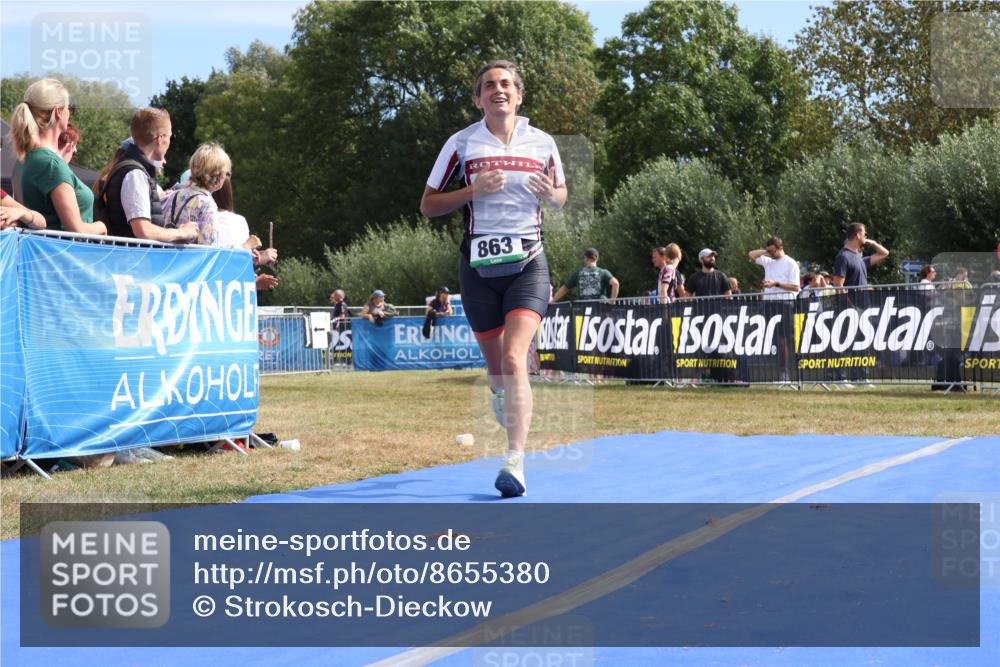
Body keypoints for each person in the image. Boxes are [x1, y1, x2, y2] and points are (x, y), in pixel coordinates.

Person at [420, 59, 566, 497]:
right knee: (495, 365)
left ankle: (514, 462)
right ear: (478, 97)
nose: (497, 90)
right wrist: (472, 191)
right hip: (478, 270)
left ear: (519, 94)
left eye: (506, 84)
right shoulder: (461, 143)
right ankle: (502, 398)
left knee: (514, 359)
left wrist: (551, 195)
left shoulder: (542, 142)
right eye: (489, 85)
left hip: (528, 263)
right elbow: (428, 205)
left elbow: (560, 194)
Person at [9, 78, 106, 234]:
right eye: (69, 108)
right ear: (59, 112)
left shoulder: (24, 159)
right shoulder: (51, 164)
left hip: (40, 253)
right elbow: (76, 229)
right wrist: (101, 227)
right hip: (64, 256)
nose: (70, 114)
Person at [92, 108, 198, 243]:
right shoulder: (135, 174)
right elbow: (143, 230)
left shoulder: (133, 169)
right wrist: (181, 233)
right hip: (131, 260)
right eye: (170, 137)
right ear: (160, 138)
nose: (170, 142)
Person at [749, 236, 800, 381]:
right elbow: (751, 255)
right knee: (773, 338)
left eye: (773, 251)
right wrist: (766, 251)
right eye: (769, 251)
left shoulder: (791, 263)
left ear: (780, 248)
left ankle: (786, 372)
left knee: (784, 339)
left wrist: (776, 284)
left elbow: (796, 287)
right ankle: (777, 370)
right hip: (769, 303)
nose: (771, 254)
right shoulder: (769, 260)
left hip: (784, 303)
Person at [161, 142, 231, 246]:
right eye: (226, 173)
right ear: (219, 176)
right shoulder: (207, 204)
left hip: (167, 258)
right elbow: (208, 248)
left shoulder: (175, 195)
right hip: (190, 261)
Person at [830, 223, 889, 288]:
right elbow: (838, 286)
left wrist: (873, 243)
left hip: (864, 298)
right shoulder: (843, 257)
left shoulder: (860, 258)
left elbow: (884, 253)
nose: (866, 236)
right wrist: (849, 298)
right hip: (853, 298)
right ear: (858, 235)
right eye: (865, 234)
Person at [553, 247, 619, 302]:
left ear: (586, 258)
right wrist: (612, 302)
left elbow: (564, 289)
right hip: (600, 308)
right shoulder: (603, 272)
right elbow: (615, 284)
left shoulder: (578, 273)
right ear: (597, 259)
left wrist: (553, 301)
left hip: (583, 309)